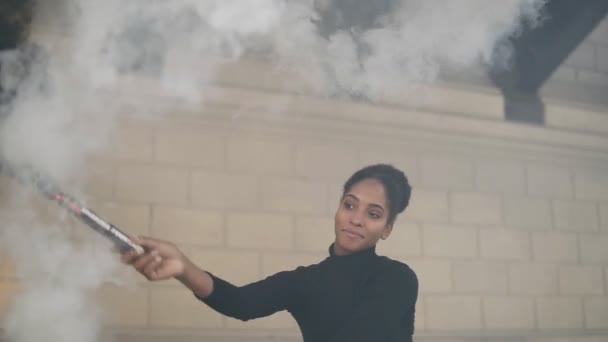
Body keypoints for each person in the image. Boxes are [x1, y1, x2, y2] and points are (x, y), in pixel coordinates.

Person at [123, 163, 418, 342]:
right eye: (350, 205)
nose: (355, 219)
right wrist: (183, 268)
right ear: (338, 208)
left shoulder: (396, 278)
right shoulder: (306, 281)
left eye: (374, 213)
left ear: (387, 229)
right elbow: (240, 303)